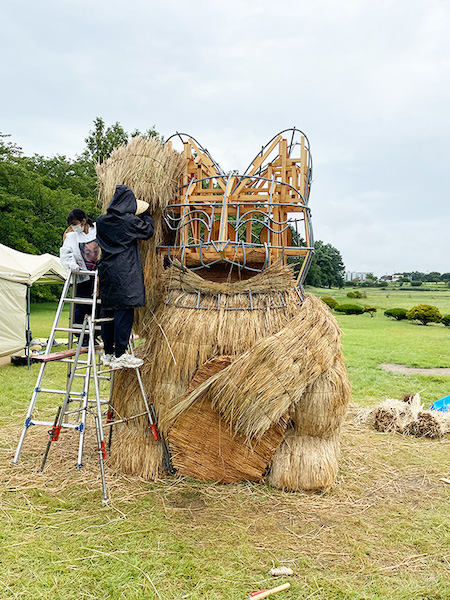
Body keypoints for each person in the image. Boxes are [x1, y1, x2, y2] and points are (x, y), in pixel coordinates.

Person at [96, 185, 154, 369]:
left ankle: (108, 353)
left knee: (108, 310)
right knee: (124, 311)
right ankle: (121, 353)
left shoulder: (102, 221)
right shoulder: (128, 221)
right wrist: (146, 216)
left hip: (107, 270)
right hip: (125, 271)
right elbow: (147, 232)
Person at [60, 209, 101, 343]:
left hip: (98, 276)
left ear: (83, 221)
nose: (74, 227)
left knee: (98, 306)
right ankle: (83, 336)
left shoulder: (98, 230)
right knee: (82, 307)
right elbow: (66, 252)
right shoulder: (72, 236)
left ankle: (95, 334)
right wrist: (71, 263)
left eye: (75, 223)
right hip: (82, 277)